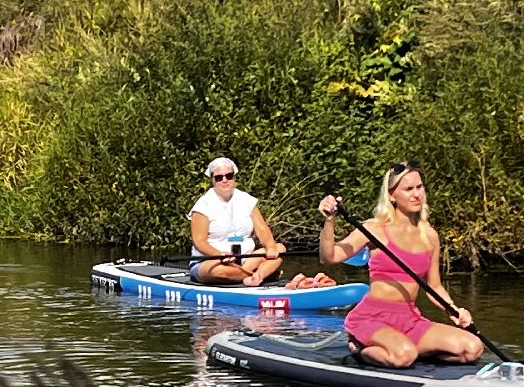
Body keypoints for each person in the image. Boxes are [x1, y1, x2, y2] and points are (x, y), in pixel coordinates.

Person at [317, 162, 483, 367]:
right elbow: (330, 257)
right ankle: (361, 350)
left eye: (419, 187)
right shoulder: (374, 229)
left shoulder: (429, 236)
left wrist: (454, 311)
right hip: (372, 317)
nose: (416, 194)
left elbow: (434, 286)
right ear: (392, 196)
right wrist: (329, 221)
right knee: (405, 355)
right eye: (408, 189)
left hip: (410, 320)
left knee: (472, 348)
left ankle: (407, 349)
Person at [189, 157, 332, 289]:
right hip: (212, 262)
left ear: (234, 177)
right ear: (212, 180)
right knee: (220, 271)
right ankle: (262, 275)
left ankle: (255, 276)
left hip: (247, 259)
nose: (225, 180)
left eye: (229, 176)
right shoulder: (203, 205)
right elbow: (199, 241)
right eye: (219, 178)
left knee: (279, 248)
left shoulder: (246, 200)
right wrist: (220, 255)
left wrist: (270, 247)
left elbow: (262, 229)